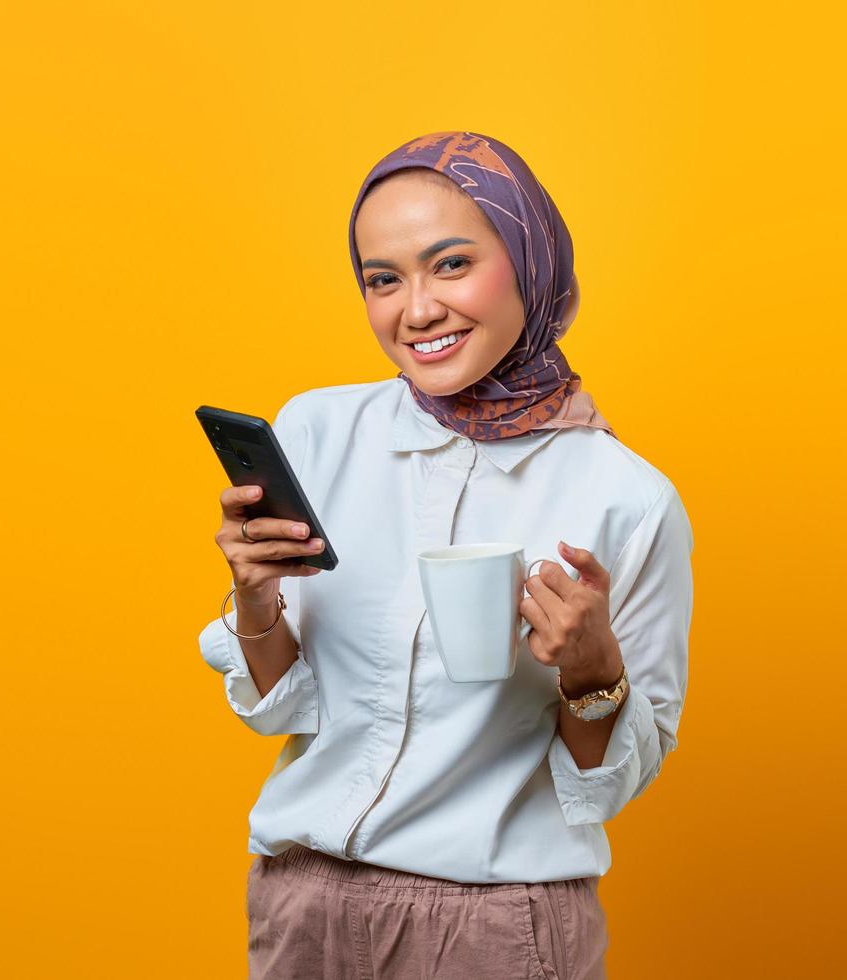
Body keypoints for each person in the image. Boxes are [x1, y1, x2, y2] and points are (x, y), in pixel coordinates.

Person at [199, 131, 694, 979]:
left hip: (495, 928)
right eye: (382, 279)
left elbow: (605, 786)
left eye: (451, 264)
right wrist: (253, 597)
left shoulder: (626, 497)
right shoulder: (318, 432)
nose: (416, 310)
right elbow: (280, 711)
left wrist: (588, 667)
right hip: (300, 907)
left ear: (529, 262)